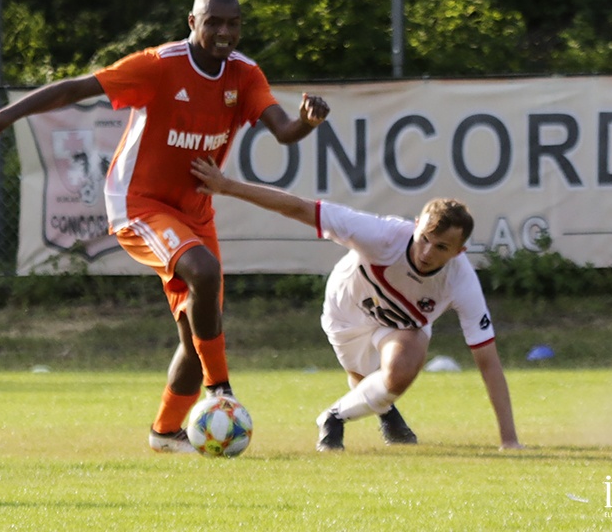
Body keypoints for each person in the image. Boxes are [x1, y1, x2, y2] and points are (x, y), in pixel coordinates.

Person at [0, 0, 330, 453]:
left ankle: (165, 433)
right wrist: (0, 118)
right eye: (213, 22)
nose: (224, 32)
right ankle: (221, 391)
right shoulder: (159, 65)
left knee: (197, 332)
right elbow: (75, 87)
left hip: (194, 212)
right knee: (205, 273)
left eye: (233, 23)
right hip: (138, 202)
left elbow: (284, 130)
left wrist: (308, 123)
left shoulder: (245, 76)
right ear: (192, 23)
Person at [190, 157, 522, 452]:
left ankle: (332, 417)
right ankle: (387, 413)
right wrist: (226, 186)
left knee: (403, 367)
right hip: (345, 311)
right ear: (415, 224)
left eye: (441, 248)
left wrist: (509, 440)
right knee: (363, 382)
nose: (426, 253)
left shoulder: (461, 280)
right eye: (424, 239)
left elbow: (487, 361)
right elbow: (297, 207)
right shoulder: (381, 235)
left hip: (399, 327)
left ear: (459, 252)